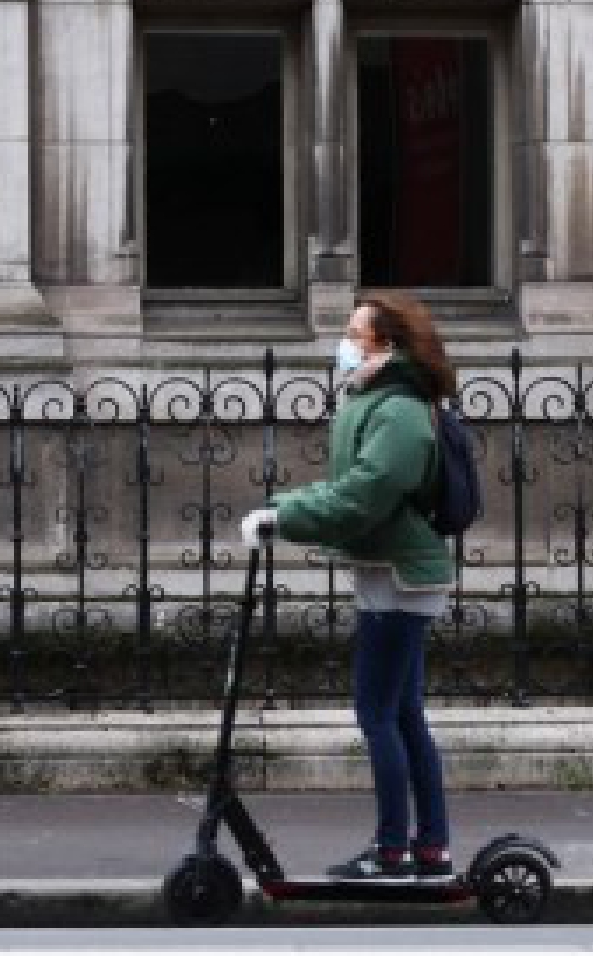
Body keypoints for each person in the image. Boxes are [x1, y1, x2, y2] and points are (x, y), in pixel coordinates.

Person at [239, 291, 456, 881]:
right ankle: (430, 847)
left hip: (400, 577)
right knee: (404, 713)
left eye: (354, 331)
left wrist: (284, 516)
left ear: (384, 345)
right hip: (390, 571)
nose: (343, 339)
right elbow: (353, 489)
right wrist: (285, 507)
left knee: (378, 714)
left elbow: (364, 495)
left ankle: (392, 851)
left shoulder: (401, 412)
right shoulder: (381, 401)